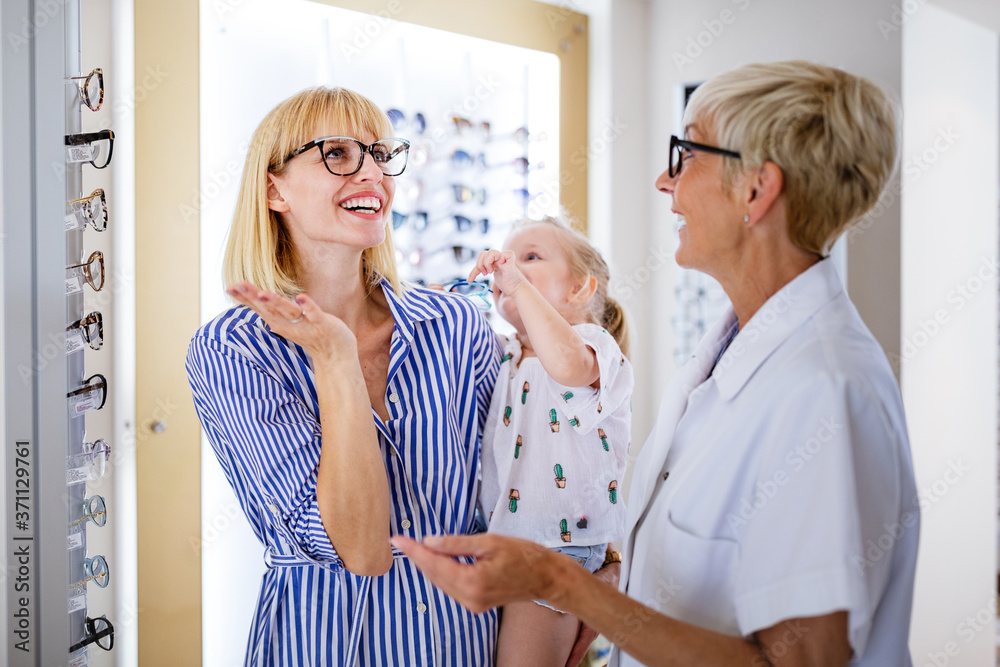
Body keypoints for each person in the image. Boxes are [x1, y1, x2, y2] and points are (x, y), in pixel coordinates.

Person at [395, 60, 920, 667]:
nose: (663, 181)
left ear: (756, 189)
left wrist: (564, 585)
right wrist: (616, 574)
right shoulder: (727, 360)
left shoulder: (824, 391)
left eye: (687, 152)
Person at [185, 86, 504, 666]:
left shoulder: (457, 326)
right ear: (274, 188)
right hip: (322, 645)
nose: (371, 175)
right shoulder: (234, 350)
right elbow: (357, 547)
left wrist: (594, 561)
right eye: (336, 153)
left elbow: (526, 476)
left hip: (467, 645)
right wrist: (334, 359)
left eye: (380, 154)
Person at [470, 217, 634, 667]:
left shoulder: (591, 345)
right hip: (510, 546)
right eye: (506, 255)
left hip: (556, 552)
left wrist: (517, 285)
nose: (509, 264)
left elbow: (566, 365)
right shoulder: (506, 353)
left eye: (531, 257)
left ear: (580, 290)